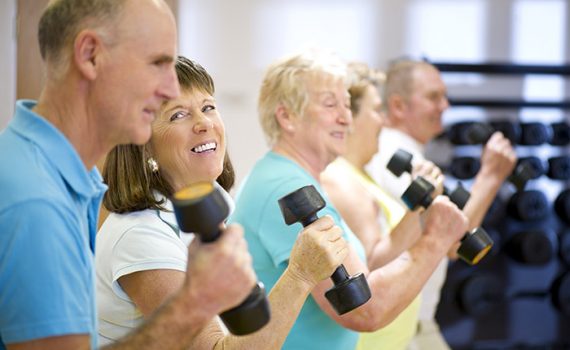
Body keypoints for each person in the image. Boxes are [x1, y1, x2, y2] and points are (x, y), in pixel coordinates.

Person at [0, 1, 253, 349]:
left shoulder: (65, 175)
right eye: (156, 63)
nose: (167, 88)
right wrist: (194, 303)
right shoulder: (36, 200)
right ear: (90, 56)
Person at [96, 56, 348, 349]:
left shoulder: (212, 205)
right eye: (178, 115)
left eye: (208, 107)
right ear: (144, 144)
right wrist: (300, 275)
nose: (204, 123)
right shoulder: (140, 235)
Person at [228, 49, 470, 350]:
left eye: (346, 104)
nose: (346, 118)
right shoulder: (285, 187)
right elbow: (364, 309)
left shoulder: (296, 179)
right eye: (331, 104)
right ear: (287, 116)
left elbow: (368, 272)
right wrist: (434, 241)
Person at [365, 59, 517, 349]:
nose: (444, 106)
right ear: (398, 106)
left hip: (418, 319)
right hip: (401, 323)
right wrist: (489, 177)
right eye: (433, 97)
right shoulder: (393, 156)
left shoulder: (411, 156)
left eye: (444, 96)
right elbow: (452, 241)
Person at [321, 62, 445, 350]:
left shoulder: (364, 176)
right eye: (377, 110)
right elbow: (373, 269)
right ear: (349, 118)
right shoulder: (341, 179)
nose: (384, 121)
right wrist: (422, 203)